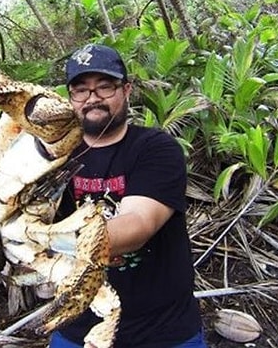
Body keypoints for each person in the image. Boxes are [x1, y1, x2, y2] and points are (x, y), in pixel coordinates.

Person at [50, 44, 206, 348]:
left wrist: (38, 239)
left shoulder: (156, 148)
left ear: (127, 90)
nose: (92, 98)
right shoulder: (53, 157)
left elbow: (137, 226)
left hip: (163, 331)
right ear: (71, 99)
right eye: (80, 90)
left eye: (105, 87)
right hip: (77, 326)